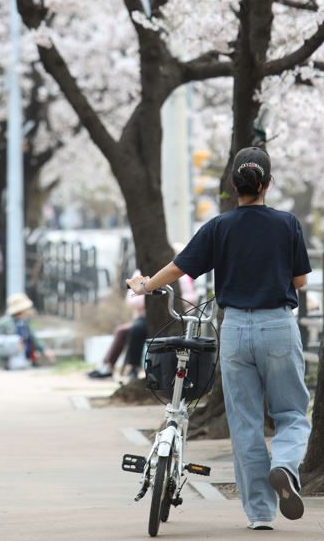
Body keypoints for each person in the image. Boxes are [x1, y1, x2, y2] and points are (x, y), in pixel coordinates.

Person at [127, 147, 312, 531]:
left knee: (244, 422)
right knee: (291, 413)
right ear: (268, 183)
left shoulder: (219, 227)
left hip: (235, 331)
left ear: (233, 186)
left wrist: (145, 285)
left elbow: (178, 268)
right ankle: (284, 466)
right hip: (277, 325)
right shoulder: (287, 223)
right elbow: (300, 281)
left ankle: (260, 513)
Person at [88, 288, 147, 381]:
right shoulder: (138, 274)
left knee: (137, 330)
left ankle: (133, 367)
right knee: (121, 331)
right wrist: (145, 300)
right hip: (139, 319)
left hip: (152, 321)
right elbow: (130, 301)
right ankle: (108, 366)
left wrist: (143, 298)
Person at [0, 293, 55, 370]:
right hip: (11, 360)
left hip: (26, 357)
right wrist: (14, 344)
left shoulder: (24, 322)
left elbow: (32, 337)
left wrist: (44, 349)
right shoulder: (3, 323)